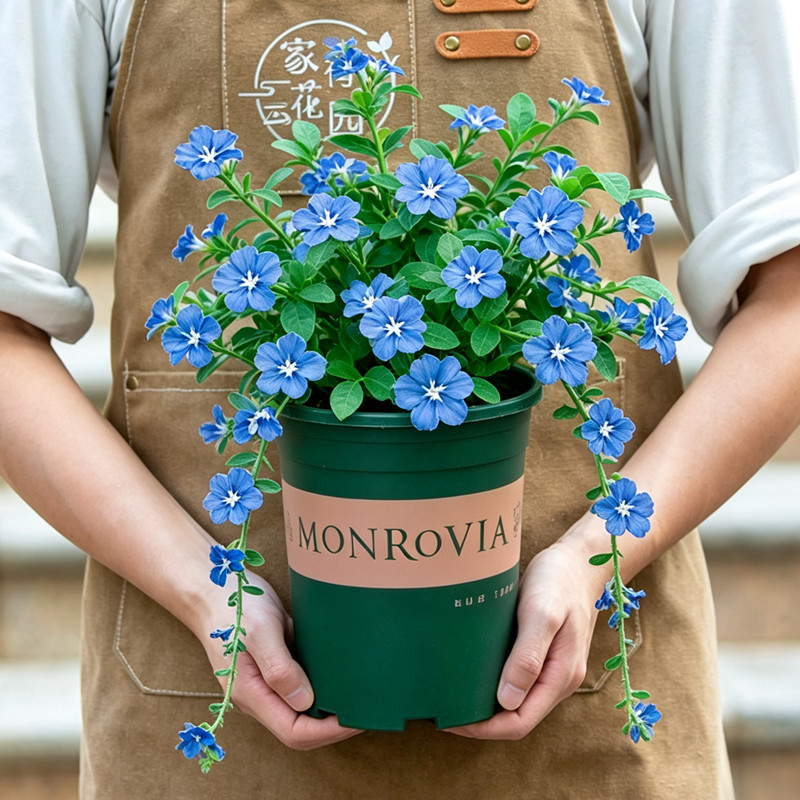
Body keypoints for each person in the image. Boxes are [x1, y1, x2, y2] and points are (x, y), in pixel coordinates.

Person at [1, 0, 799, 797]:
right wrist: (198, 584)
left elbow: (788, 299)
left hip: (588, 733)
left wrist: (597, 558)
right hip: (209, 712)